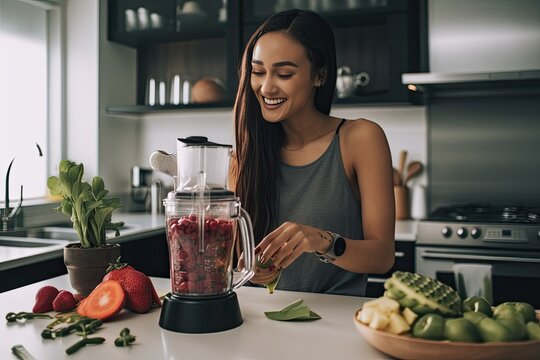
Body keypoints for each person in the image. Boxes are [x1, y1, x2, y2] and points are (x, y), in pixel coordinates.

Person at [229, 9, 395, 296]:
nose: (266, 87)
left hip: (336, 326)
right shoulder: (243, 157)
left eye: (284, 73)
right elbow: (233, 267)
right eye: (258, 72)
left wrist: (322, 241)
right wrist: (249, 270)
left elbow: (382, 257)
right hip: (261, 325)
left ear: (319, 75)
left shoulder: (360, 139)